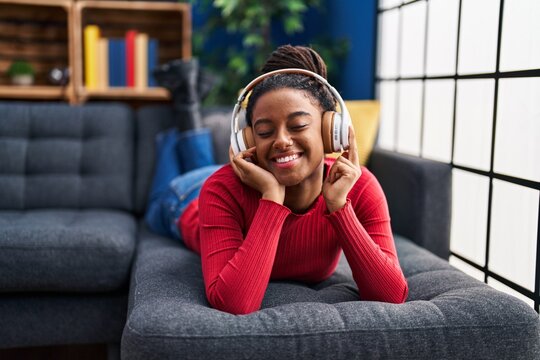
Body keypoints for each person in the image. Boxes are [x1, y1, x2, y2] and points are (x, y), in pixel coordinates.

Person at [145, 45, 408, 315]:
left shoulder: (358, 186)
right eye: (264, 131)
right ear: (248, 140)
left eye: (298, 126)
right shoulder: (221, 189)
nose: (281, 140)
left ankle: (186, 100)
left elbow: (391, 296)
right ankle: (179, 116)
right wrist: (271, 196)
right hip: (184, 199)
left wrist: (339, 207)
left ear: (332, 131)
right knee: (157, 197)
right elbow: (234, 303)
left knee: (206, 167)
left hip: (228, 177)